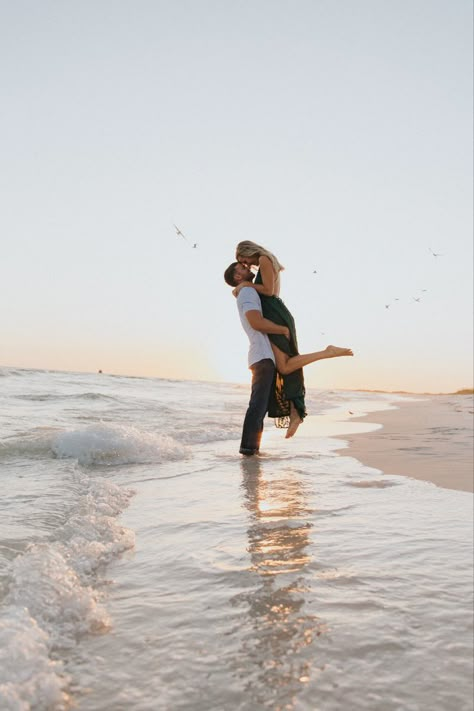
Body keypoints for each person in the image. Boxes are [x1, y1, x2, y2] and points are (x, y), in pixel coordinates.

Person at [233, 240, 353, 436]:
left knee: (285, 366)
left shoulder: (263, 259)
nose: (245, 264)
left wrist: (246, 284)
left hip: (274, 314)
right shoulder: (265, 261)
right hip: (275, 312)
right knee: (285, 366)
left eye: (243, 260)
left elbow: (269, 291)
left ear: (248, 251)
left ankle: (326, 353)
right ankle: (295, 412)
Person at [224, 261, 290, 456]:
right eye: (242, 268)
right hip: (262, 357)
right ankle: (248, 449)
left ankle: (251, 449)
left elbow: (271, 291)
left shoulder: (248, 290)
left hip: (261, 356)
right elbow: (255, 321)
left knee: (259, 407)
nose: (247, 267)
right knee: (257, 406)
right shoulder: (246, 292)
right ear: (237, 277)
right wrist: (282, 329)